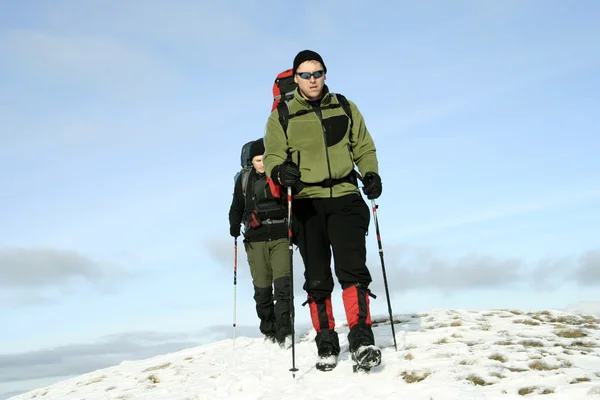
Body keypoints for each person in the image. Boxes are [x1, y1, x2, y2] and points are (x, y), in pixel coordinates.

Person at [263, 50, 384, 371]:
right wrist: (279, 172)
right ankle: (327, 343)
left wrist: (370, 173)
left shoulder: (344, 106)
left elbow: (364, 146)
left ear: (325, 74)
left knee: (353, 270)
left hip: (346, 196)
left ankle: (362, 339)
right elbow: (273, 155)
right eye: (305, 74)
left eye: (317, 73)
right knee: (317, 278)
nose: (312, 79)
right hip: (306, 204)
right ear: (296, 78)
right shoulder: (283, 116)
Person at [228, 138, 292, 348]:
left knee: (283, 286)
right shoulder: (244, 180)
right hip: (256, 239)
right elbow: (237, 206)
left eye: (265, 158)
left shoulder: (280, 176)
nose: (262, 163)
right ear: (251, 161)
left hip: (281, 236)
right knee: (262, 289)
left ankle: (285, 331)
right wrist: (234, 225)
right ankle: (269, 329)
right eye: (257, 159)